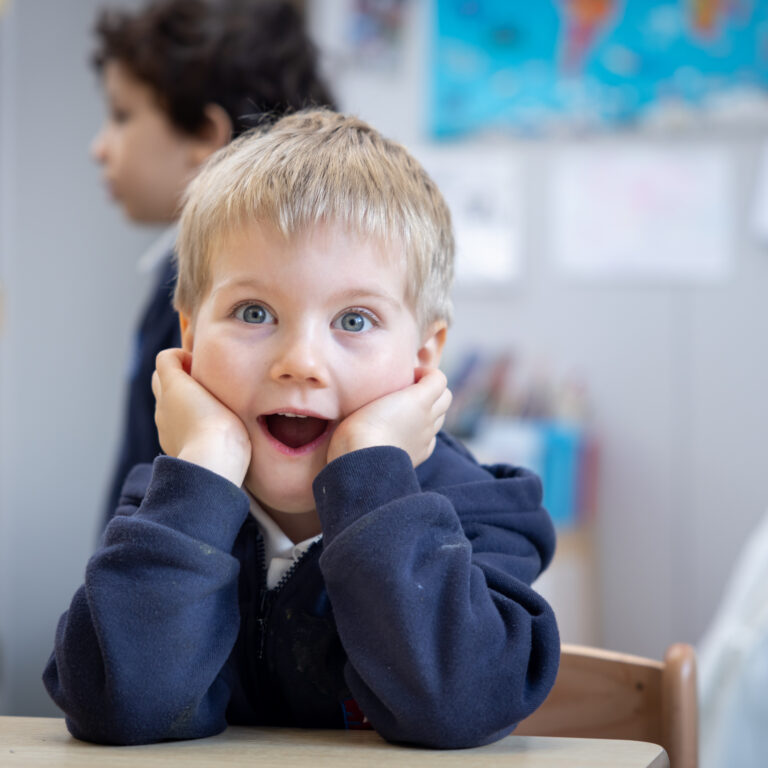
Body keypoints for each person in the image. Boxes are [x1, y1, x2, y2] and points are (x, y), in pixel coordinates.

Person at [43, 110, 560, 749]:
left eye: (355, 320)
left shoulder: (480, 511)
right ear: (189, 335)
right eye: (254, 312)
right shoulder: (170, 506)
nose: (302, 364)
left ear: (424, 358)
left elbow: (458, 706)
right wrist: (203, 463)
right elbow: (116, 709)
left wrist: (371, 469)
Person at [90, 0, 335, 527]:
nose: (99, 148)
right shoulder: (177, 275)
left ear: (205, 136)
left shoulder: (200, 286)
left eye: (122, 116)